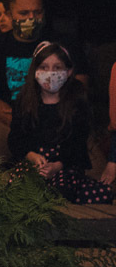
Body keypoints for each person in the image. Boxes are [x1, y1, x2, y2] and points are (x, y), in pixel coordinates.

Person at [0, 0, 89, 172]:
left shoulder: (66, 44)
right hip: (9, 122)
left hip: (62, 121)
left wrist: (52, 118)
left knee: (94, 171)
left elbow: (80, 90)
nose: (31, 18)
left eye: (37, 12)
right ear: (10, 14)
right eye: (23, 13)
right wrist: (23, 121)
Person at [8, 42, 111, 204]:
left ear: (68, 72)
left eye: (57, 68)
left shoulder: (76, 101)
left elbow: (77, 143)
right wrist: (31, 156)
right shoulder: (25, 100)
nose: (50, 73)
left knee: (64, 189)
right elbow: (16, 138)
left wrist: (57, 165)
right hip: (33, 164)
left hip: (65, 165)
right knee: (18, 188)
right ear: (35, 71)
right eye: (44, 67)